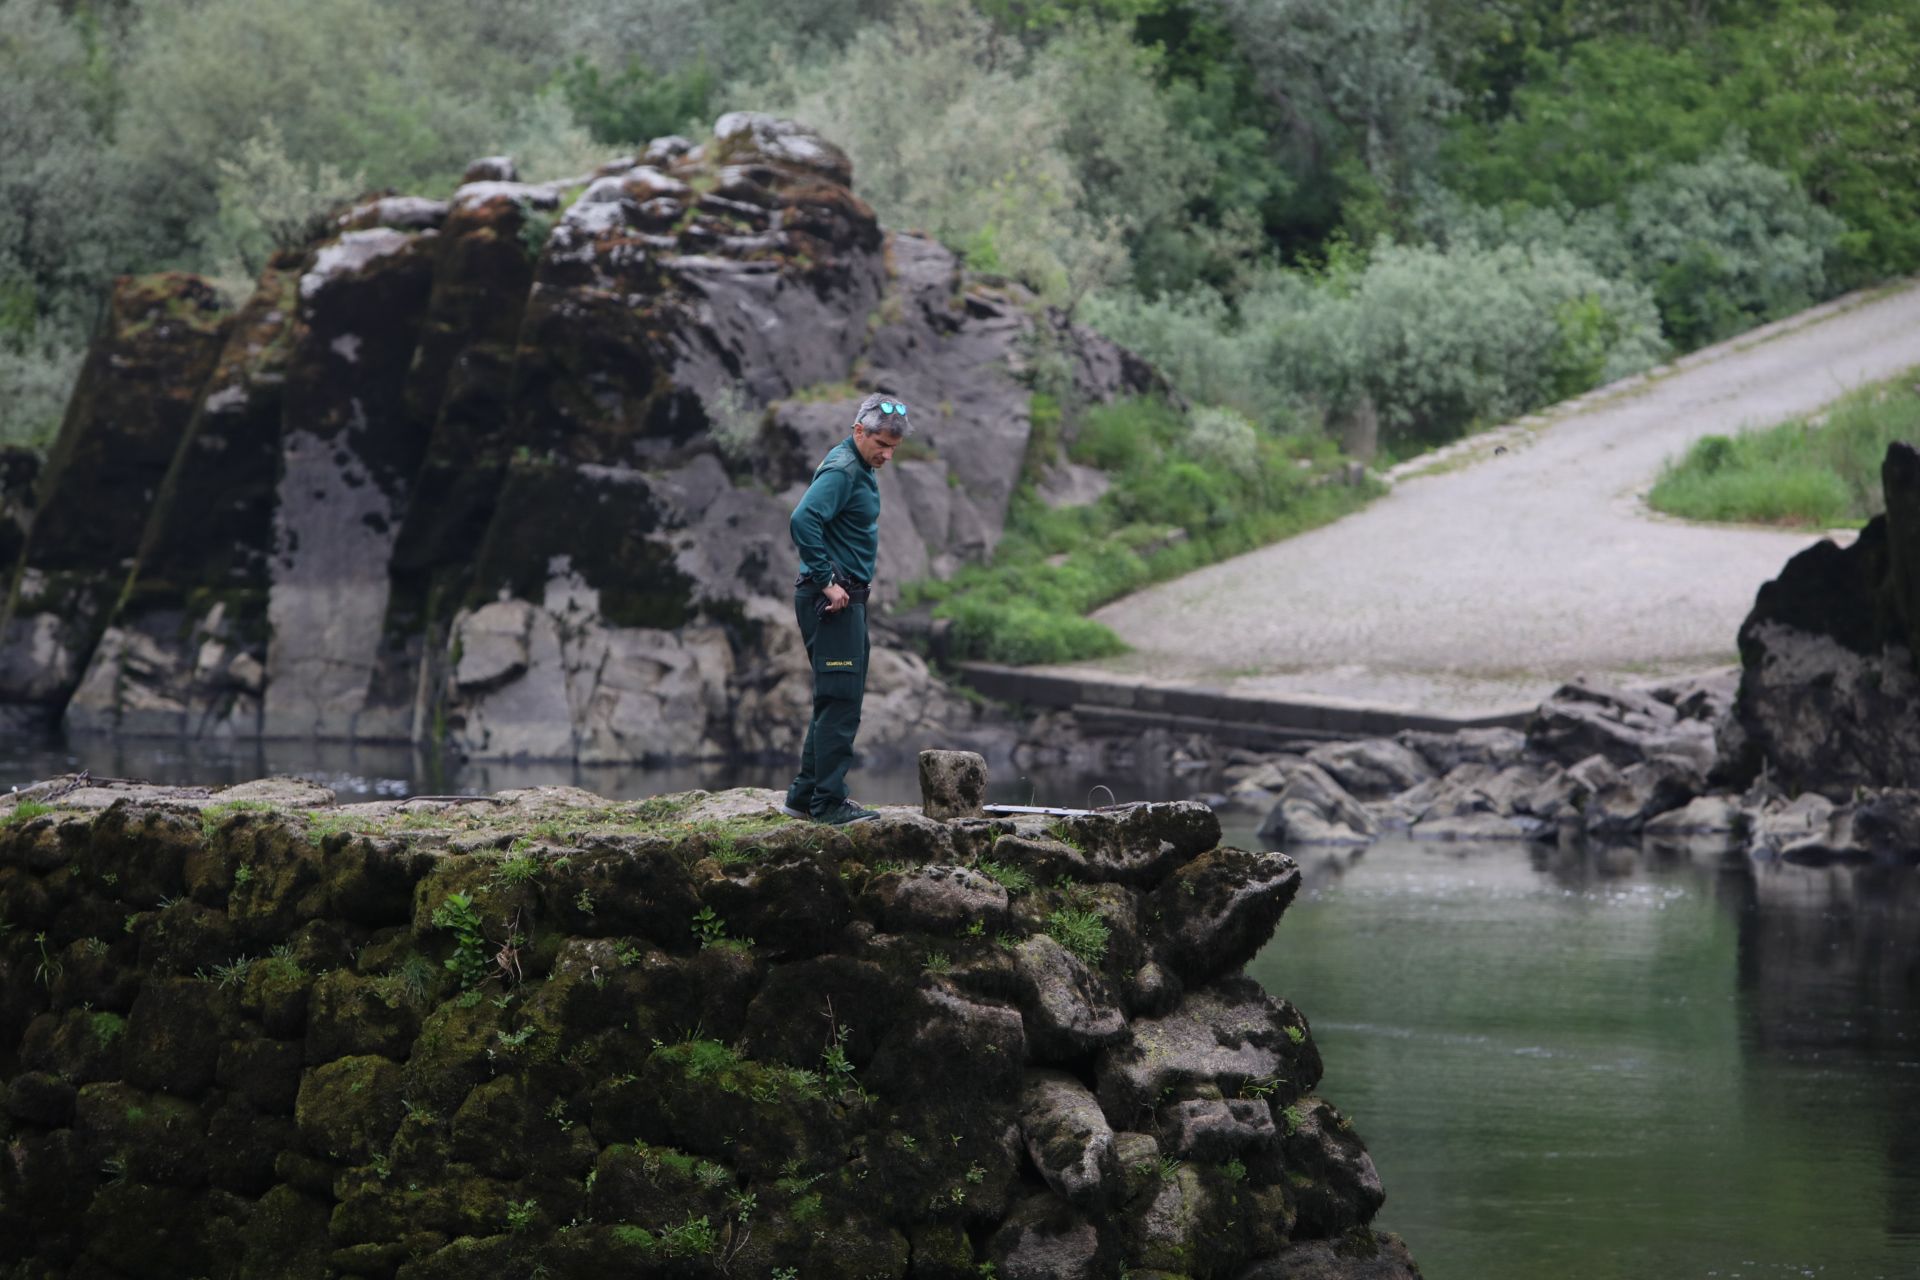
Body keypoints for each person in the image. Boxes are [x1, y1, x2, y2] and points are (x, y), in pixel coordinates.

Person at [781, 393, 911, 824]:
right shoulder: (842, 470)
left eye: (894, 447)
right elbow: (803, 519)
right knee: (842, 703)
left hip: (845, 599)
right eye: (882, 443)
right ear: (860, 431)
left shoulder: (859, 465)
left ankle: (804, 796)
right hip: (832, 602)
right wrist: (826, 581)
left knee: (833, 700)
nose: (888, 454)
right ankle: (828, 804)